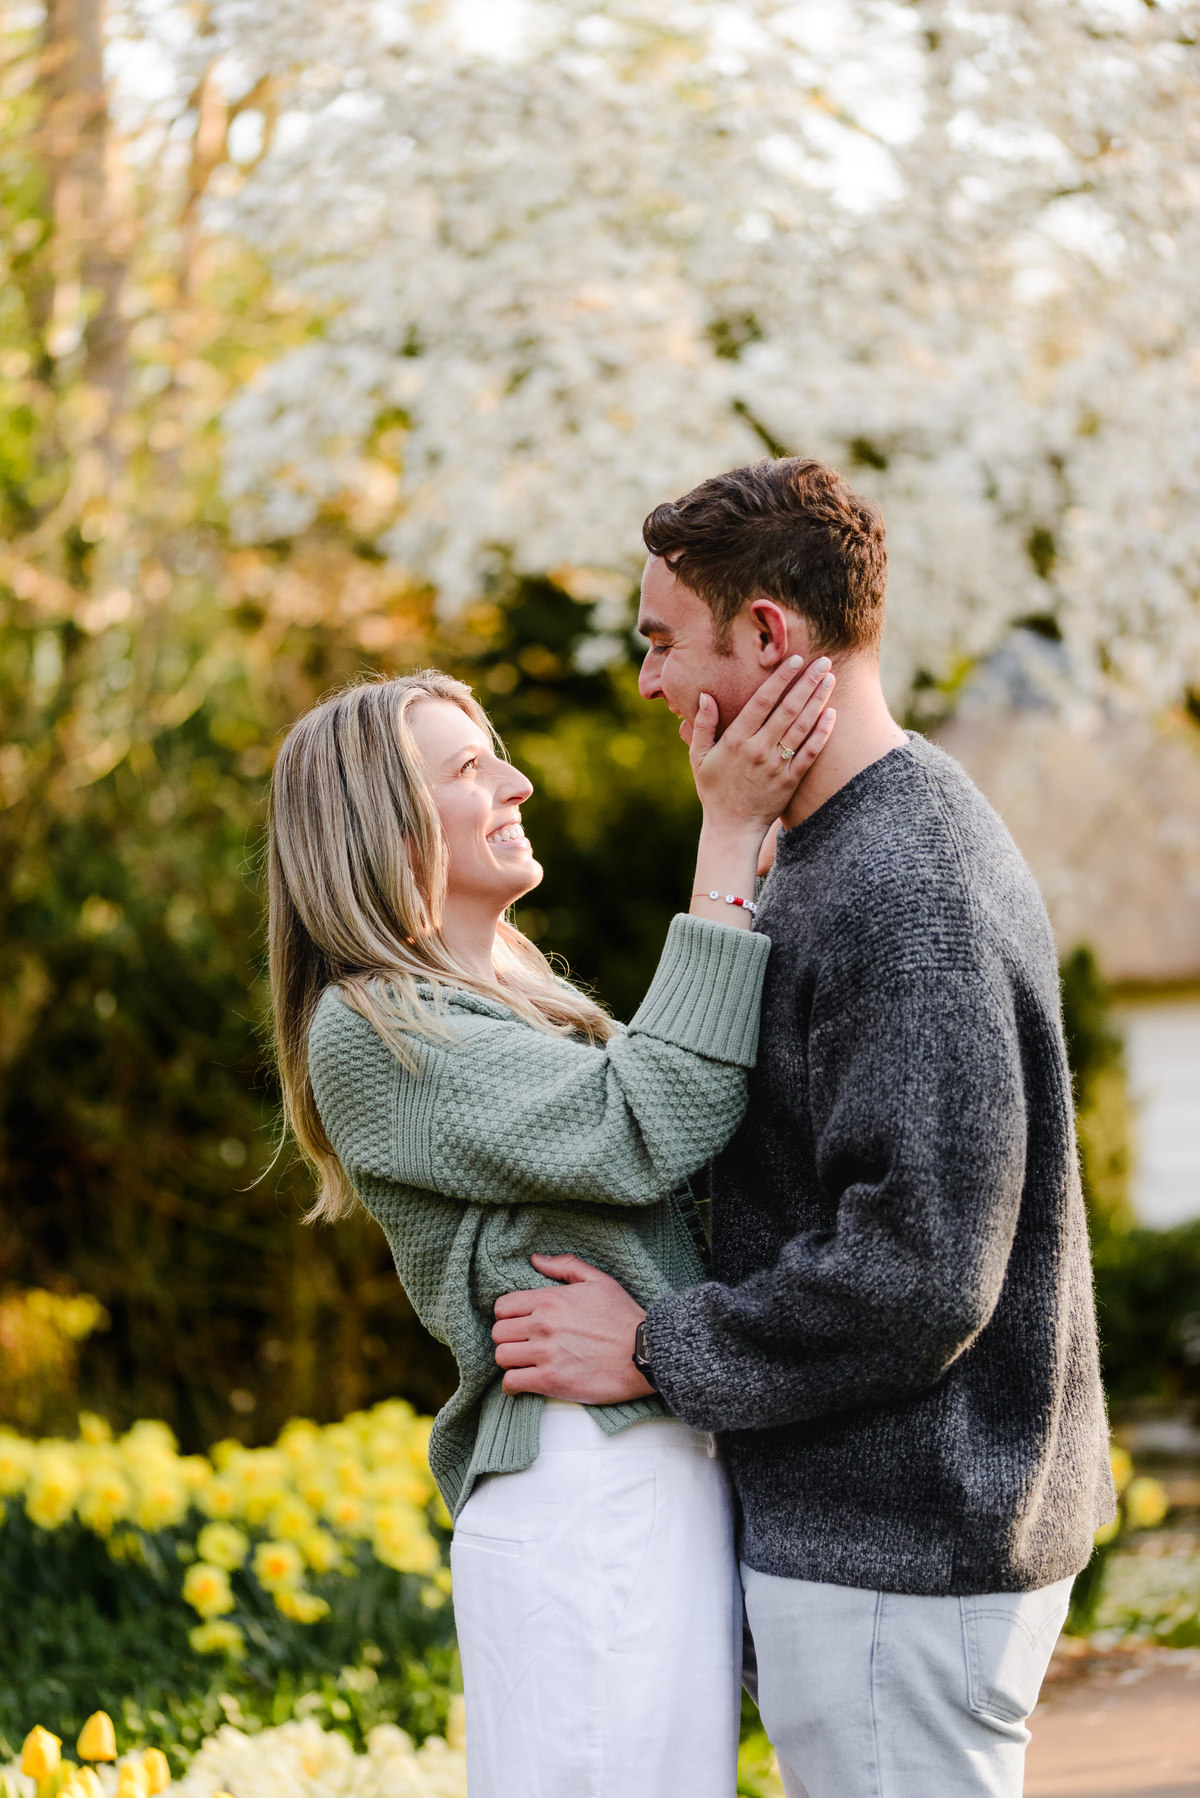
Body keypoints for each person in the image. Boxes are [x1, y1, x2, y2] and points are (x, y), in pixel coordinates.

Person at [490, 457, 1117, 1798]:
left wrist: (658, 1346)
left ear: (769, 633)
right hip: (888, 1535)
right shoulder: (839, 844)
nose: (649, 680)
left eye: (665, 641)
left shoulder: (903, 883)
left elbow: (920, 1267)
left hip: (906, 1546)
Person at [265, 662, 835, 1798]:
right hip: (579, 1485)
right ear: (380, 822)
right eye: (472, 768)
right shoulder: (374, 1028)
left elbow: (691, 1151)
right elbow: (650, 1121)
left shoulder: (516, 999)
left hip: (647, 1463)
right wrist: (724, 841)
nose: (519, 782)